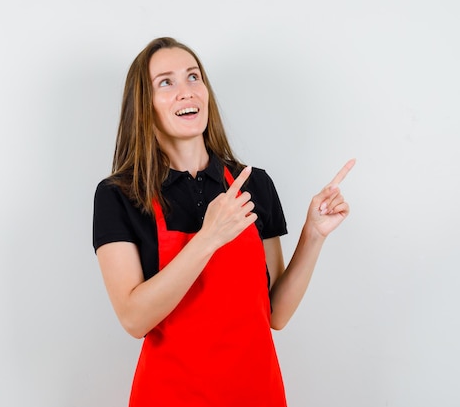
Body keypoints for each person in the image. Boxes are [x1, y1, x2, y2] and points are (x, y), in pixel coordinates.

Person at [92, 36, 354, 407]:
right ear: (143, 106)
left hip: (256, 394)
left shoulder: (253, 184)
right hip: (169, 397)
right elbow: (134, 319)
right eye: (165, 82)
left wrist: (313, 235)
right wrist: (208, 236)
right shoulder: (120, 195)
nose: (185, 91)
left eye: (193, 77)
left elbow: (275, 313)